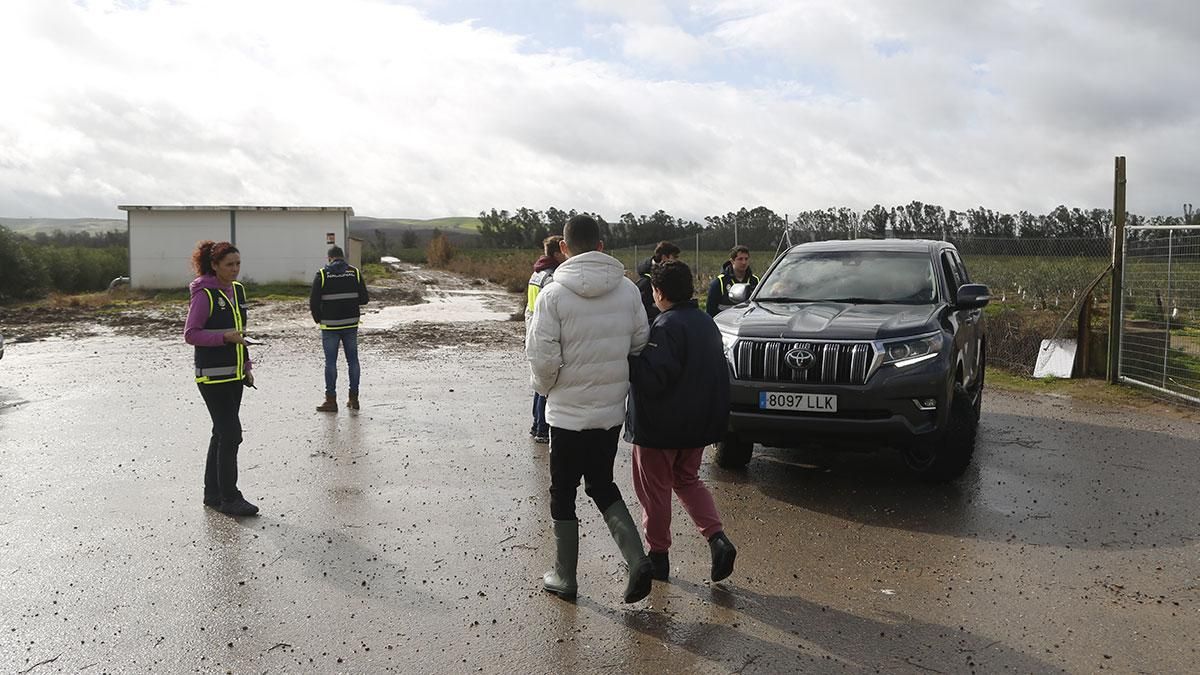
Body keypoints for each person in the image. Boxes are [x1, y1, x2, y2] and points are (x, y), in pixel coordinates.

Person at [526, 214, 654, 603]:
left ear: (564, 248)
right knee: (601, 483)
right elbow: (639, 341)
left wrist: (547, 390)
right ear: (600, 246)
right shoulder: (628, 290)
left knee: (563, 491)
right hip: (610, 412)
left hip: (567, 414)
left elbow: (541, 357)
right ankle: (637, 560)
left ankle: (565, 576)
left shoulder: (552, 295)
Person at [627, 260, 737, 583]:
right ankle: (717, 539)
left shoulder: (665, 327)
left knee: (654, 490)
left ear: (659, 292)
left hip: (659, 430)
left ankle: (658, 556)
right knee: (687, 480)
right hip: (696, 427)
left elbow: (653, 379)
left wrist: (629, 360)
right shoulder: (706, 323)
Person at [183, 240, 259, 517]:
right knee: (231, 434)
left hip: (235, 374)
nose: (235, 269)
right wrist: (224, 338)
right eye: (229, 265)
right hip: (212, 377)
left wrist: (246, 365)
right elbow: (191, 334)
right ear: (214, 266)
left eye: (238, 264)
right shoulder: (204, 294)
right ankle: (230, 497)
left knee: (221, 433)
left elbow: (240, 330)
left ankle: (212, 494)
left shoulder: (237, 290)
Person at [310, 246, 369, 413]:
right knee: (353, 361)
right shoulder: (354, 273)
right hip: (350, 324)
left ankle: (331, 401)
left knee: (330, 362)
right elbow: (364, 299)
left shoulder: (322, 274)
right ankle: (354, 399)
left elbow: (314, 302)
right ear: (343, 257)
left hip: (330, 326)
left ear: (329, 258)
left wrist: (319, 319)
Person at [525, 235, 566, 443]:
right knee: (547, 383)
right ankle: (542, 429)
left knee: (539, 382)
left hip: (533, 328)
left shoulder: (537, 273)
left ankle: (536, 426)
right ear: (557, 253)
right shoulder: (551, 277)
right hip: (543, 331)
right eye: (563, 252)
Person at [634, 241, 680, 324]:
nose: (676, 260)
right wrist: (663, 310)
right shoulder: (645, 282)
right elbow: (642, 308)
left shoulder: (671, 274)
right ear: (664, 257)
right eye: (674, 257)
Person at [705, 245, 759, 316]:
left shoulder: (755, 281)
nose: (744, 262)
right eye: (740, 259)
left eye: (746, 259)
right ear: (732, 261)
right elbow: (710, 312)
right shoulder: (720, 282)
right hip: (725, 321)